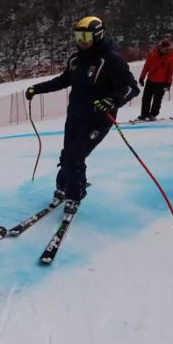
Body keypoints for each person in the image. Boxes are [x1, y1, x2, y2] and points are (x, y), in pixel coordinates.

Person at [26, 16, 139, 212]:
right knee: (66, 154)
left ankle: (74, 195)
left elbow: (131, 88)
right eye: (78, 36)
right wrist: (37, 88)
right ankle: (63, 186)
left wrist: (112, 101)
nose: (81, 41)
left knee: (75, 156)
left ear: (97, 35)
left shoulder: (111, 59)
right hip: (76, 117)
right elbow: (62, 81)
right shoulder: (76, 60)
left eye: (85, 36)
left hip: (98, 121)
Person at [138, 37, 173, 121]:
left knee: (157, 100)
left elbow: (172, 72)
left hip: (161, 83)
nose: (166, 50)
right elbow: (146, 67)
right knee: (146, 98)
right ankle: (144, 114)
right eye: (165, 49)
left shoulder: (172, 58)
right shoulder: (153, 55)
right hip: (150, 81)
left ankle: (153, 114)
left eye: (168, 49)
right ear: (160, 47)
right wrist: (142, 77)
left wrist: (169, 83)